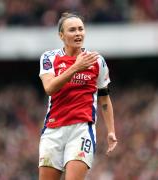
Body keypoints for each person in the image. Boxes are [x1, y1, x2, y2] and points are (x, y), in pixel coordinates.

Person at [38, 12, 117, 180]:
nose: (78, 33)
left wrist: (111, 131)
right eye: (72, 30)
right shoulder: (49, 58)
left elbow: (104, 97)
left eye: (81, 29)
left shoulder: (96, 61)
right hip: (53, 131)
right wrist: (76, 67)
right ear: (61, 35)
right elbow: (49, 88)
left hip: (81, 130)